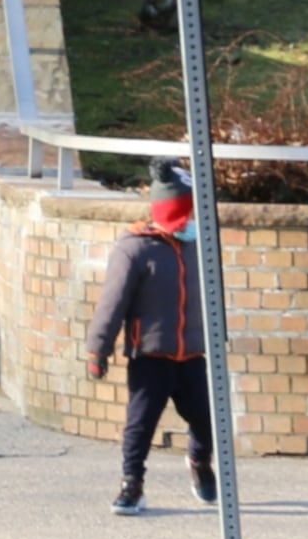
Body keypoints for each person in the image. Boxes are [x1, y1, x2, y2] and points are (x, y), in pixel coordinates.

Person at [84, 160, 219, 515]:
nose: (192, 220)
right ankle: (132, 483)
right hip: (150, 356)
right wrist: (98, 350)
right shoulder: (136, 249)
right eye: (186, 212)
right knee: (139, 426)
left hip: (192, 355)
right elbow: (113, 303)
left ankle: (199, 462)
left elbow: (211, 297)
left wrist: (216, 339)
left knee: (207, 419)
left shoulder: (199, 245)